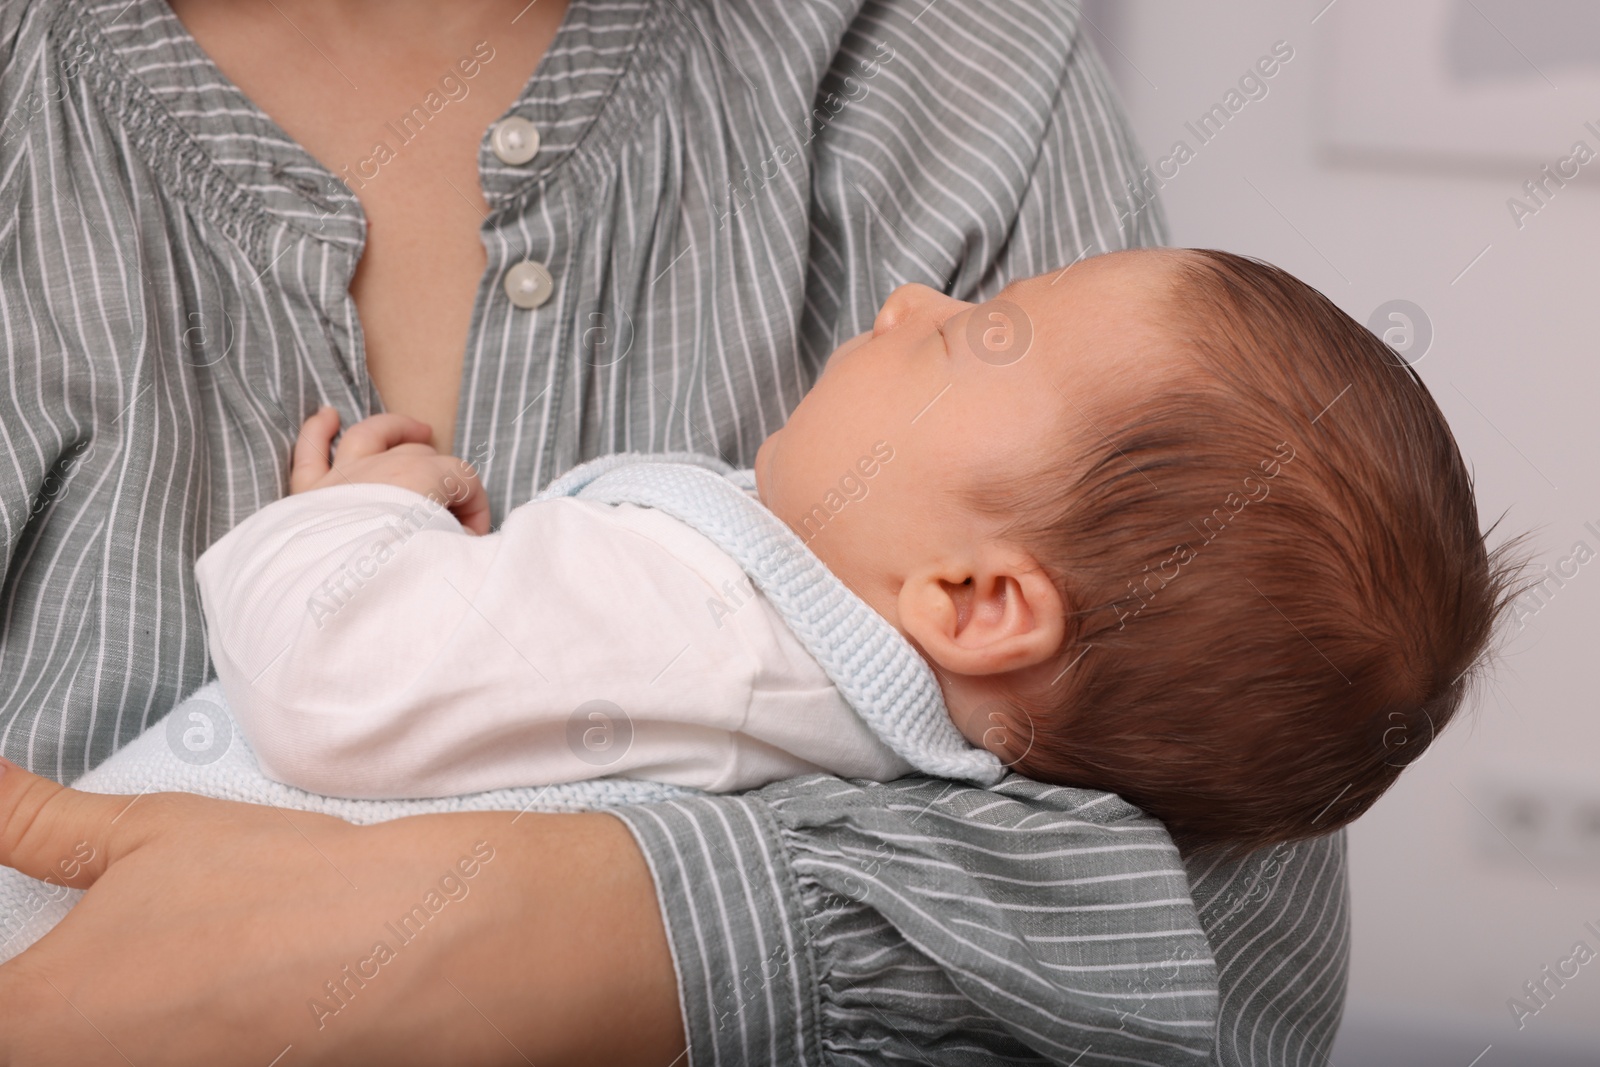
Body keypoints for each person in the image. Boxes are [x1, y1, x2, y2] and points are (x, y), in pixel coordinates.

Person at [0, 0, 1354, 1062]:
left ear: (979, 602)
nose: (907, 300)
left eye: (976, 336)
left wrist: (346, 515)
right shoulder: (904, 680)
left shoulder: (720, 617)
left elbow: (1216, 971)